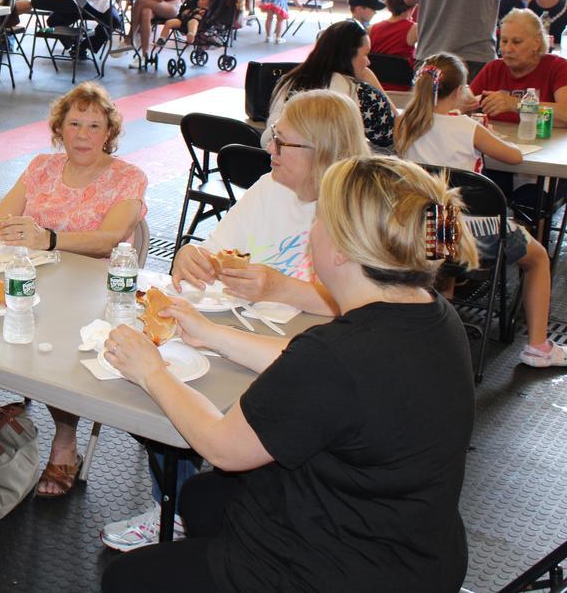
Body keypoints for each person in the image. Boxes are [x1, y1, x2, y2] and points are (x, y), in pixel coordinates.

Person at [101, 156, 478, 593]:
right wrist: (214, 334)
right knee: (201, 499)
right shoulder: (433, 314)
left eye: (319, 219)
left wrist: (152, 372)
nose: (311, 230)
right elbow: (308, 362)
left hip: (340, 572)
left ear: (339, 250)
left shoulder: (334, 356)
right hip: (420, 550)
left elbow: (221, 447)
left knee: (125, 580)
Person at [101, 90, 369, 552]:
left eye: (283, 143)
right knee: (152, 387)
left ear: (322, 150)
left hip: (311, 355)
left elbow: (362, 305)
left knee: (178, 398)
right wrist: (189, 255)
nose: (270, 149)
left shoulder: (355, 210)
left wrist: (281, 287)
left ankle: (189, 507)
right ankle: (175, 502)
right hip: (247, 336)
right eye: (273, 137)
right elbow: (213, 248)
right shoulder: (271, 188)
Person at [0, 83, 147, 497]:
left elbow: (110, 238)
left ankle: (65, 441)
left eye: (94, 125)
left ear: (110, 132)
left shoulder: (128, 177)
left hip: (88, 287)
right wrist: (10, 228)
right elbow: (1, 215)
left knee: (58, 356)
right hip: (25, 277)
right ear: (59, 129)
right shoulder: (41, 166)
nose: (83, 134)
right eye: (74, 124)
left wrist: (47, 238)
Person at [395, 53, 566, 368]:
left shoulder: (404, 122)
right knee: (539, 258)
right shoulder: (466, 127)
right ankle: (538, 347)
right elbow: (513, 157)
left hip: (418, 228)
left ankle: (434, 334)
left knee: (442, 265)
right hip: (466, 234)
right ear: (460, 90)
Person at [261, 19, 394, 149]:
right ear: (348, 56)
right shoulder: (363, 94)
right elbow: (392, 137)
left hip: (277, 159)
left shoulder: (286, 82)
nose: (368, 62)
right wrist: (371, 80)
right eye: (366, 54)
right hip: (331, 169)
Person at [470, 8, 567, 126]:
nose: (507, 49)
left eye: (516, 42)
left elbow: (565, 113)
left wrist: (517, 105)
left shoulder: (557, 67)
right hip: (498, 141)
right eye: (504, 41)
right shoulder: (493, 68)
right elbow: (465, 106)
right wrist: (462, 103)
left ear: (536, 43)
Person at [368, 0, 418, 64]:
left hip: (376, 75)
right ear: (413, 3)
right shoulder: (415, 29)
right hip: (402, 76)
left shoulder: (371, 29)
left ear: (387, 3)